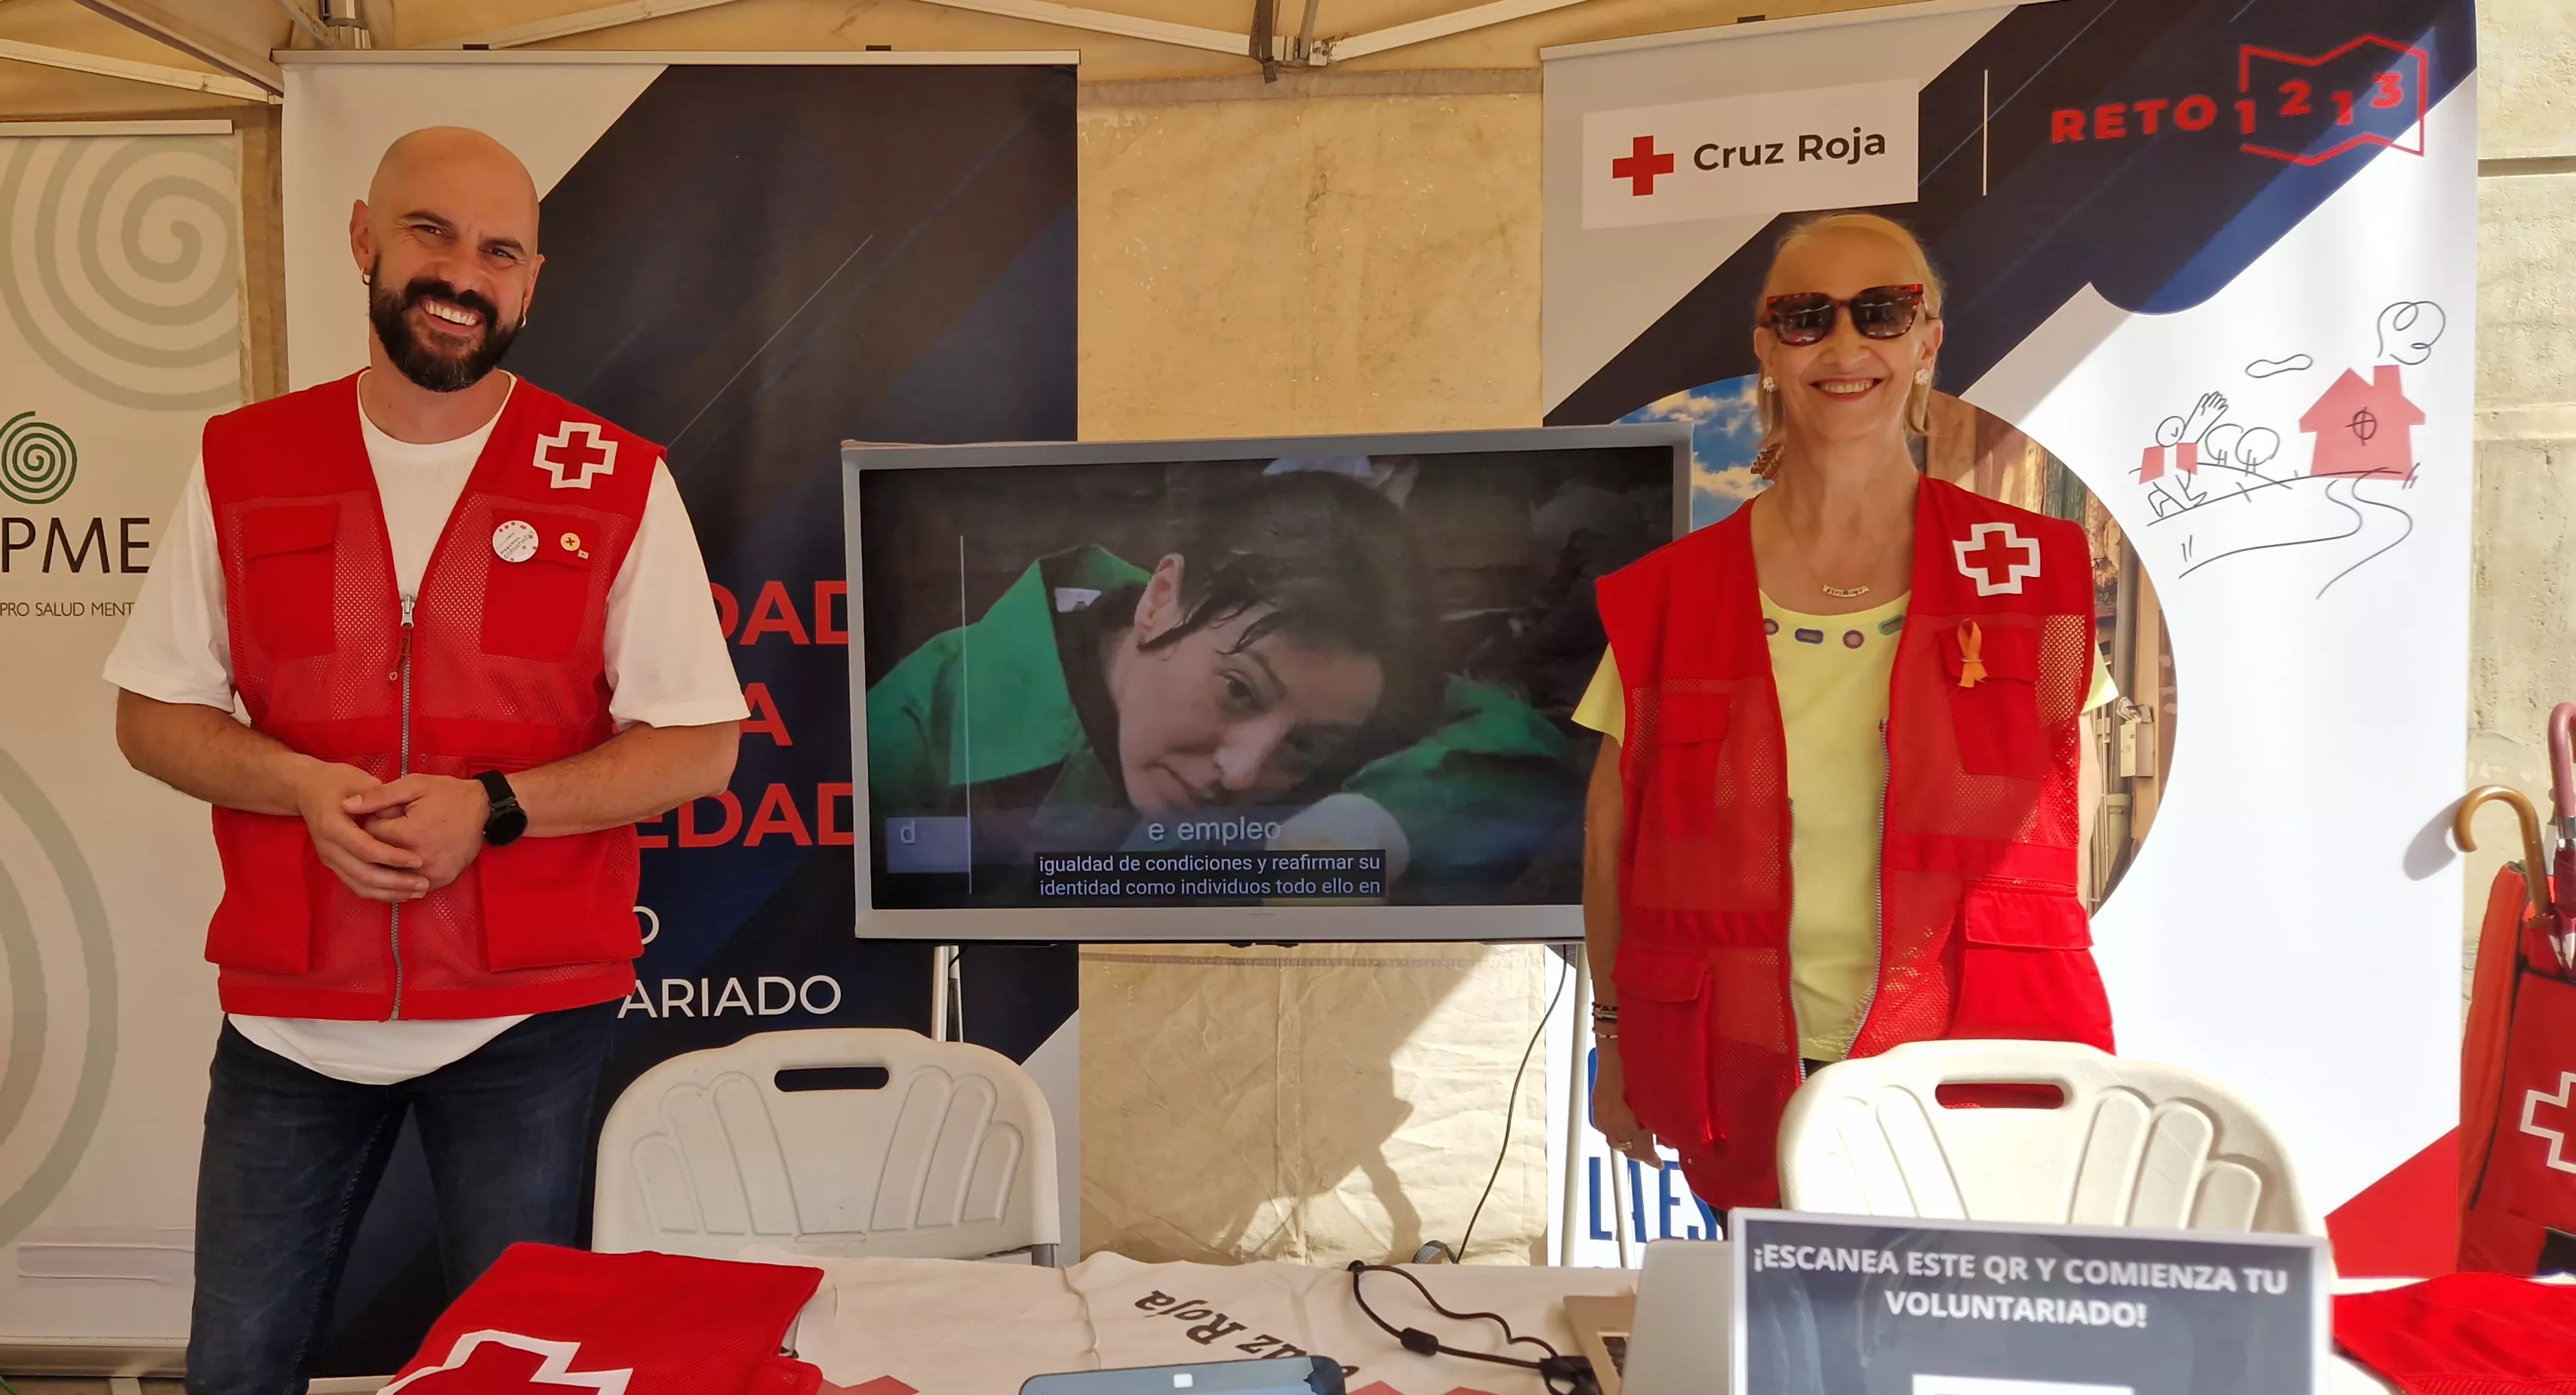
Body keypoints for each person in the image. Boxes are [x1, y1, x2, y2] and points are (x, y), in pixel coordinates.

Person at [103, 128, 746, 1394]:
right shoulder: (246, 460)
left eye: (498, 251)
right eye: (431, 233)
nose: (461, 273)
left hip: (524, 1021)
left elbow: (700, 746)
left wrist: (494, 808)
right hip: (291, 1015)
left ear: (532, 281)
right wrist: (296, 784)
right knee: (236, 1370)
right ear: (364, 238)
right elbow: (152, 714)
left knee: (525, 1376)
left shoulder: (609, 476)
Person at [1576, 211, 2119, 1211]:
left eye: (1880, 313)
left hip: (1977, 1049)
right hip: (1739, 1057)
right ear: (1766, 347)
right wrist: (1613, 1041)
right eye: (1804, 318)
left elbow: (2067, 824)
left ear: (1925, 341)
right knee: (1785, 1350)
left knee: (1961, 1347)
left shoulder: (2030, 575)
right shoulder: (1670, 595)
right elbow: (1615, 834)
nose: (1844, 346)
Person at [866, 469, 1583, 901]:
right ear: (1158, 599)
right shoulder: (914, 726)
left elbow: (1535, 753)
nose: (1244, 774)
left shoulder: (1351, 697)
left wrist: (1369, 828)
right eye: (1240, 690)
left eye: (1307, 747)